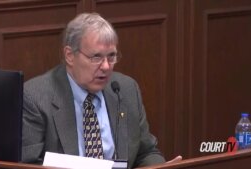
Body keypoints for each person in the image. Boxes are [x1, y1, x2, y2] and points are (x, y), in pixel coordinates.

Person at [22, 12, 167, 168]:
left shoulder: (126, 89)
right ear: (70, 55)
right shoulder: (36, 97)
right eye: (96, 57)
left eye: (111, 56)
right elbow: (28, 164)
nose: (105, 66)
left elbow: (146, 153)